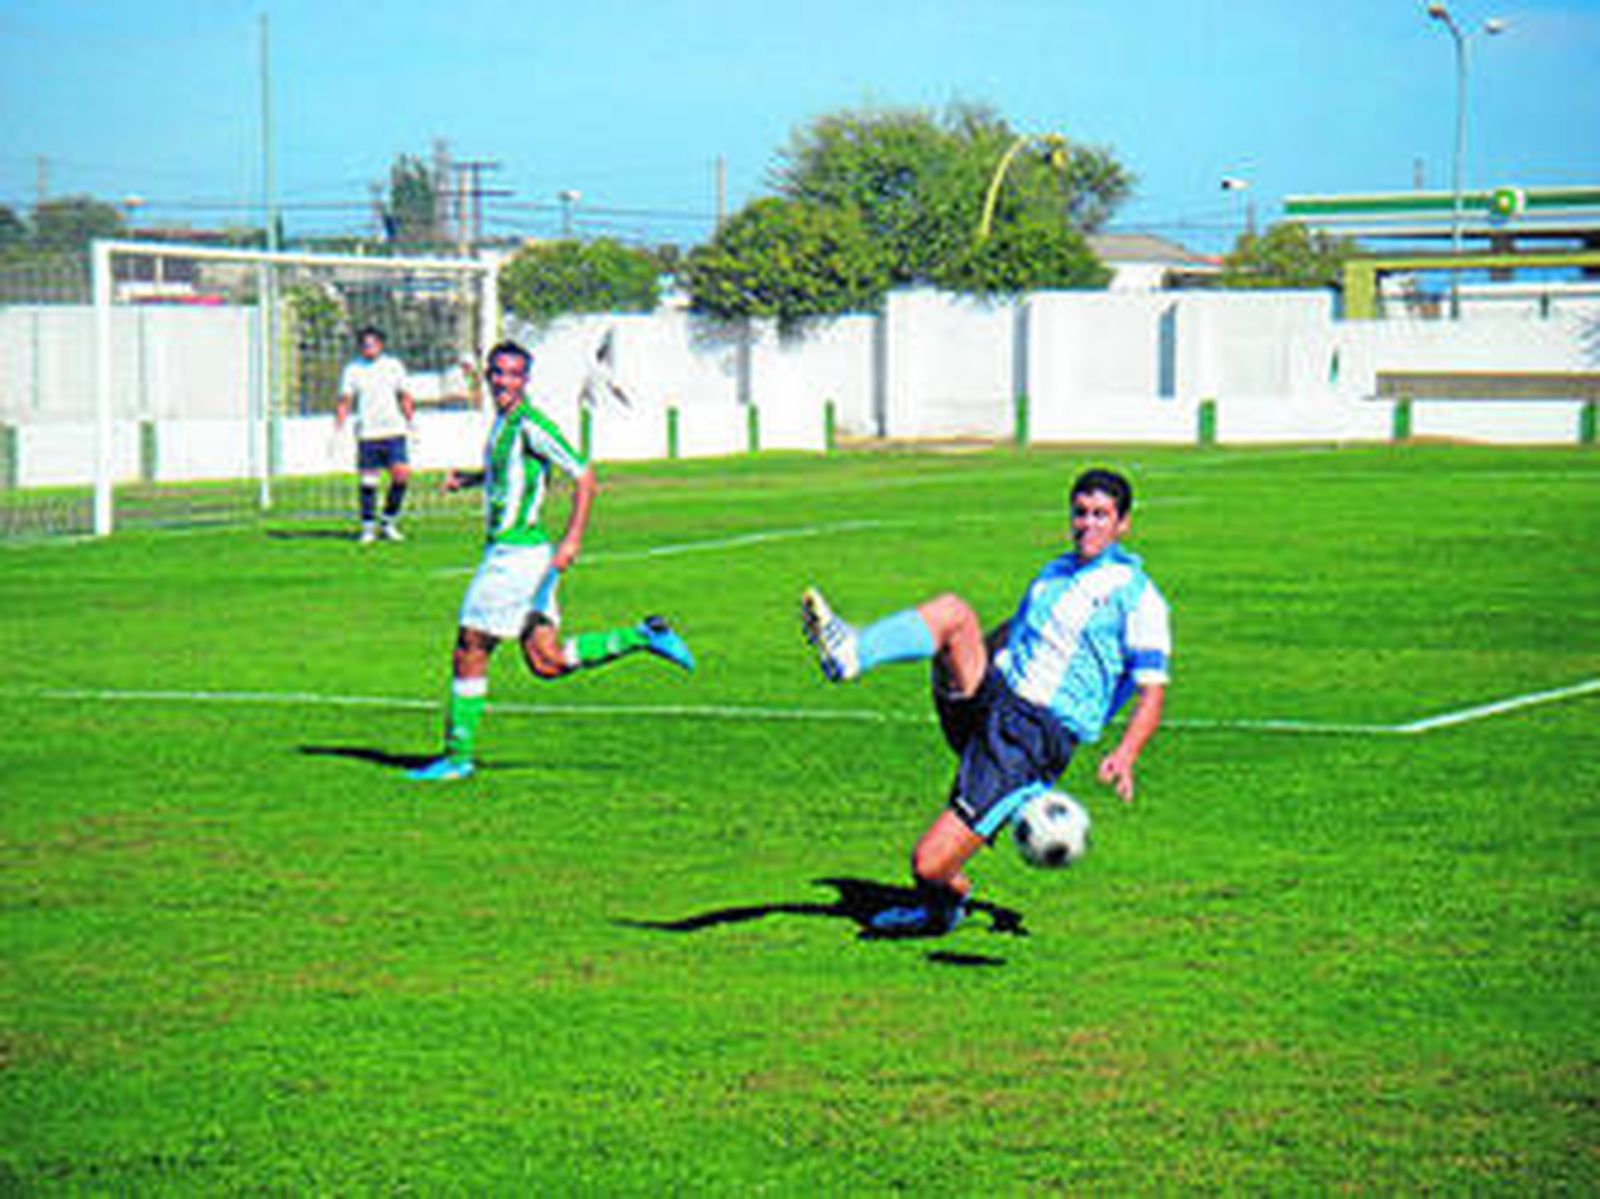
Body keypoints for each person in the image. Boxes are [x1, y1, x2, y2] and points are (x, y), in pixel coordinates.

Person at [800, 468, 1171, 936]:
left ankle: (946, 903)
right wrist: (969, 657)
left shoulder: (1138, 597)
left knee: (929, 865)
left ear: (1123, 524)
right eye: (1080, 513)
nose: (1087, 524)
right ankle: (852, 651)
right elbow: (1017, 633)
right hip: (999, 696)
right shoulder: (1055, 573)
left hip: (1029, 740)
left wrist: (1127, 753)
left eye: (1101, 515)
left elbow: (1152, 690)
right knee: (954, 616)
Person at [409, 339, 694, 782]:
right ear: (488, 375)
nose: (503, 381)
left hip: (516, 555)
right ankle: (643, 636)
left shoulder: (531, 424)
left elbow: (584, 475)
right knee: (547, 661)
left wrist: (573, 539)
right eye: (497, 372)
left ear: (525, 380)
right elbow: (511, 473)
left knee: (471, 647)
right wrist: (470, 479)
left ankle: (457, 757)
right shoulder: (504, 425)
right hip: (523, 557)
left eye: (513, 374)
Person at [334, 326, 415, 544]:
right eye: (365, 344)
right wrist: (338, 428)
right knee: (368, 480)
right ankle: (368, 526)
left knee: (401, 474)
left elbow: (404, 395)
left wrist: (411, 421)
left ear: (381, 345)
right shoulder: (353, 370)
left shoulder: (393, 366)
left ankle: (388, 521)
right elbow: (345, 400)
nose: (369, 348)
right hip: (368, 433)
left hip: (393, 430)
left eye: (373, 344)